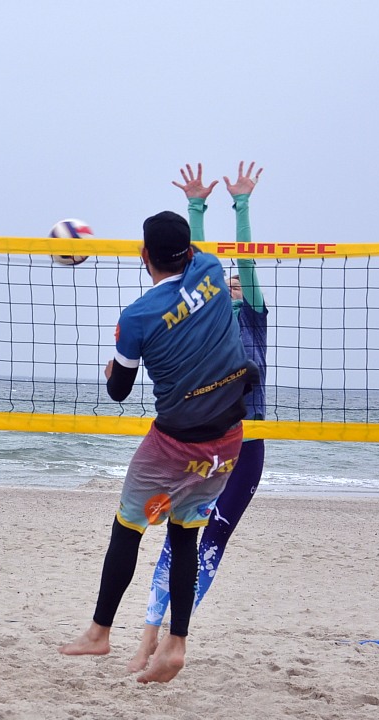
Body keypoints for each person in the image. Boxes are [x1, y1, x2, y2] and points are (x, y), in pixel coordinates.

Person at [59, 210, 257, 683]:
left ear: (144, 255)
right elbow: (197, 254)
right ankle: (176, 643)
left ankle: (99, 632)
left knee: (129, 527)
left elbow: (119, 391)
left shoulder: (137, 317)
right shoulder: (210, 268)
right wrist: (197, 209)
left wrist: (113, 367)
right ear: (188, 252)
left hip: (172, 447)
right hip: (227, 444)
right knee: (184, 535)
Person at [127, 161, 269, 673]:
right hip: (199, 442)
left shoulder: (251, 314)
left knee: (213, 540)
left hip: (245, 444)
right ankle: (147, 637)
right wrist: (195, 207)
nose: (230, 283)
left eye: (237, 282)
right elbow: (196, 264)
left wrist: (241, 203)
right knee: (178, 536)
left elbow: (245, 263)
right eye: (223, 281)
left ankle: (171, 638)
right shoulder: (203, 314)